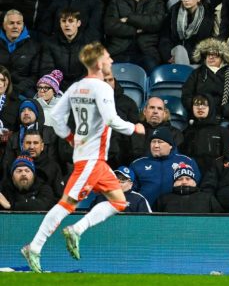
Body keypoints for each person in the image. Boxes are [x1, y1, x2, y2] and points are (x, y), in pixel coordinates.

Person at [21, 41, 146, 273]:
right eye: (108, 57)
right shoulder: (103, 88)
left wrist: (69, 137)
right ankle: (34, 247)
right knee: (67, 204)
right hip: (91, 159)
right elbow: (111, 119)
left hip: (91, 158)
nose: (110, 61)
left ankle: (77, 230)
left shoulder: (76, 87)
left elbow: (57, 117)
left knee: (119, 201)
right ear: (99, 62)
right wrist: (134, 128)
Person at [104, 0, 165, 73]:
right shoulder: (116, 2)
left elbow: (156, 23)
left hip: (146, 52)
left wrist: (129, 19)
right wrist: (137, 30)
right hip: (119, 51)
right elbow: (110, 26)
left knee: (153, 72)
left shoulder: (157, 3)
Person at [130, 126, 200, 207]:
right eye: (153, 142)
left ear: (170, 145)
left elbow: (195, 186)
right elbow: (130, 191)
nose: (155, 145)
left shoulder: (187, 161)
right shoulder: (137, 164)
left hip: (175, 211)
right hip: (145, 213)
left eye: (160, 142)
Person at [182, 38, 229, 124]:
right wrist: (197, 108)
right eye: (208, 54)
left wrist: (224, 111)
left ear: (223, 57)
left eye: (215, 55)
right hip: (199, 116)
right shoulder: (197, 73)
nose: (211, 57)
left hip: (221, 117)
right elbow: (186, 95)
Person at [39, 9, 96, 91]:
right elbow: (47, 69)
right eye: (64, 21)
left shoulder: (88, 44)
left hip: (81, 89)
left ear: (78, 23)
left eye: (71, 21)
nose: (67, 24)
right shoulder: (49, 43)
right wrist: (60, 88)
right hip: (57, 88)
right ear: (60, 23)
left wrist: (74, 88)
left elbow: (90, 71)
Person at [161, 0, 214, 65]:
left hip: (198, 58)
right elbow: (165, 37)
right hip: (176, 55)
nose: (186, 0)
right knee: (180, 49)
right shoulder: (174, 13)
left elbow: (207, 42)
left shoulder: (207, 16)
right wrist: (168, 56)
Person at [180, 93, 229, 175]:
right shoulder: (187, 132)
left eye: (204, 104)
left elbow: (228, 159)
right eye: (196, 104)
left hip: (216, 177)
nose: (200, 107)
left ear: (210, 108)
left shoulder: (222, 132)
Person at [0, 10, 41, 97]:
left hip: (22, 88)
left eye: (18, 23)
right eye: (11, 23)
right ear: (4, 26)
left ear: (22, 26)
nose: (15, 26)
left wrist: (17, 89)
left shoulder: (34, 47)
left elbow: (34, 76)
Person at [156, 163, 222, 213]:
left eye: (188, 179)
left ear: (194, 182)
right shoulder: (162, 199)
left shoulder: (208, 198)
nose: (184, 182)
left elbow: (221, 221)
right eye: (180, 179)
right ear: (174, 183)